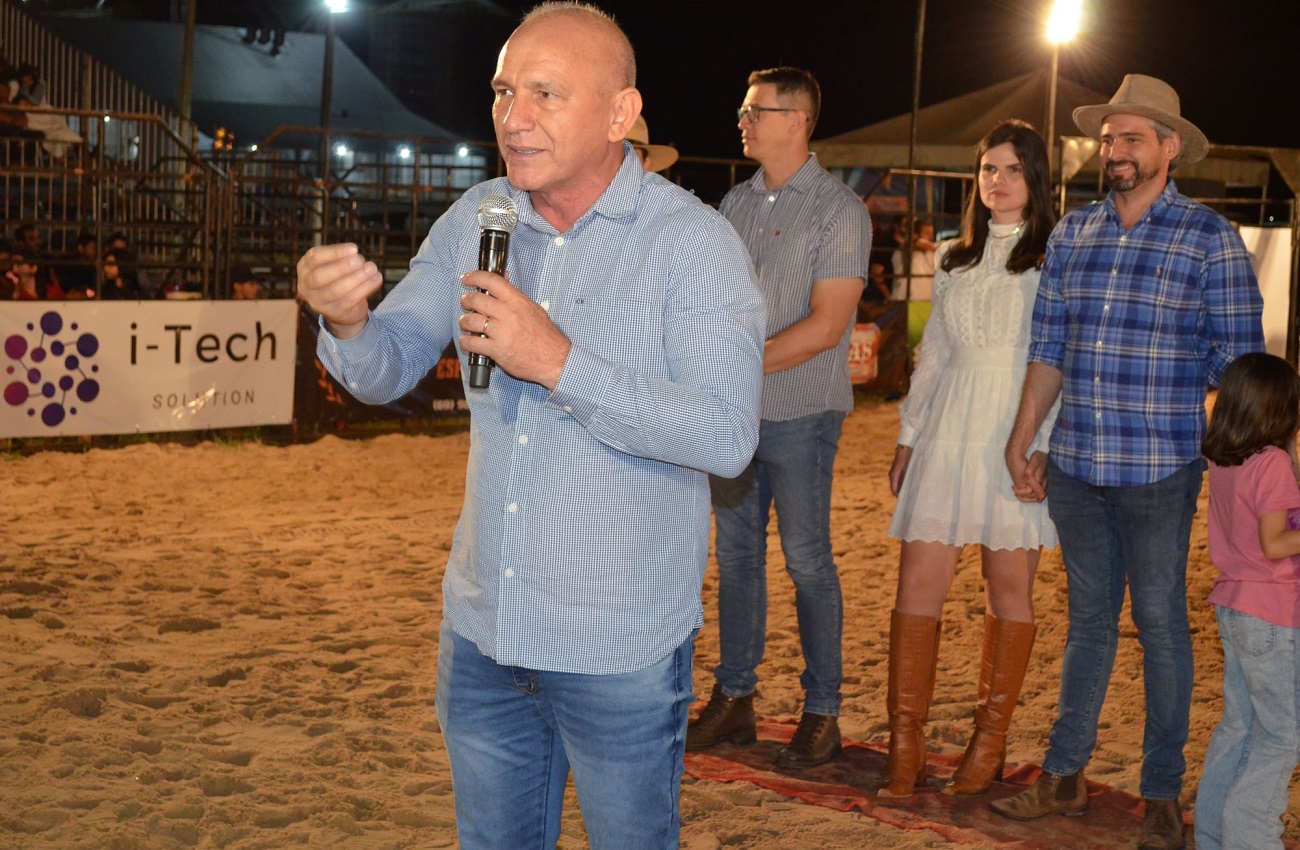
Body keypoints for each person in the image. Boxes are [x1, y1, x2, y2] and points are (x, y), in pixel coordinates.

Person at [294, 4, 765, 848]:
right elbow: (388, 366)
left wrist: (559, 363)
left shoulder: (692, 243)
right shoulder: (480, 217)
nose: (514, 117)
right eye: (504, 90)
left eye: (545, 93)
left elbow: (727, 435)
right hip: (483, 633)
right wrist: (349, 324)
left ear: (621, 114)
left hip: (615, 646)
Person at [990, 74, 1265, 850]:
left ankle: (1160, 794)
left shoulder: (1209, 238)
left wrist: (1216, 421)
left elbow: (1241, 365)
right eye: (1108, 139)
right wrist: (1024, 436)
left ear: (1168, 149)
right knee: (1087, 626)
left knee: (1161, 627)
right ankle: (1066, 774)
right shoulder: (1074, 235)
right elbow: (1051, 349)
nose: (1114, 151)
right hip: (1076, 464)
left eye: (1130, 138)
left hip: (1161, 468)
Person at [686, 66, 871, 769]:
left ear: (797, 119)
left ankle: (822, 712)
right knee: (735, 559)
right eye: (743, 109)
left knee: (807, 561)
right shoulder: (734, 203)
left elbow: (827, 327)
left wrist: (727, 367)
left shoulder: (839, 211)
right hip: (739, 416)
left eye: (754, 109)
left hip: (800, 414)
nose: (742, 120)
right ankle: (736, 699)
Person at [881, 120, 1058, 798]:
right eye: (988, 169)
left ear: (1034, 179)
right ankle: (906, 746)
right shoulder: (953, 257)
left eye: (1012, 169)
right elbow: (936, 358)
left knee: (1007, 590)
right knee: (915, 588)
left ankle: (988, 745)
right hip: (949, 426)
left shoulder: (1052, 258)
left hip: (1017, 429)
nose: (997, 181)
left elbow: (1056, 361)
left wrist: (1039, 446)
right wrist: (908, 435)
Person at [1194, 352, 1300, 850]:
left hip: (1234, 605)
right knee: (1282, 735)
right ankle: (1251, 836)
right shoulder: (1274, 461)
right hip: (1271, 612)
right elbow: (1276, 544)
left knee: (1239, 725)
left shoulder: (1225, 458)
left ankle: (1215, 836)